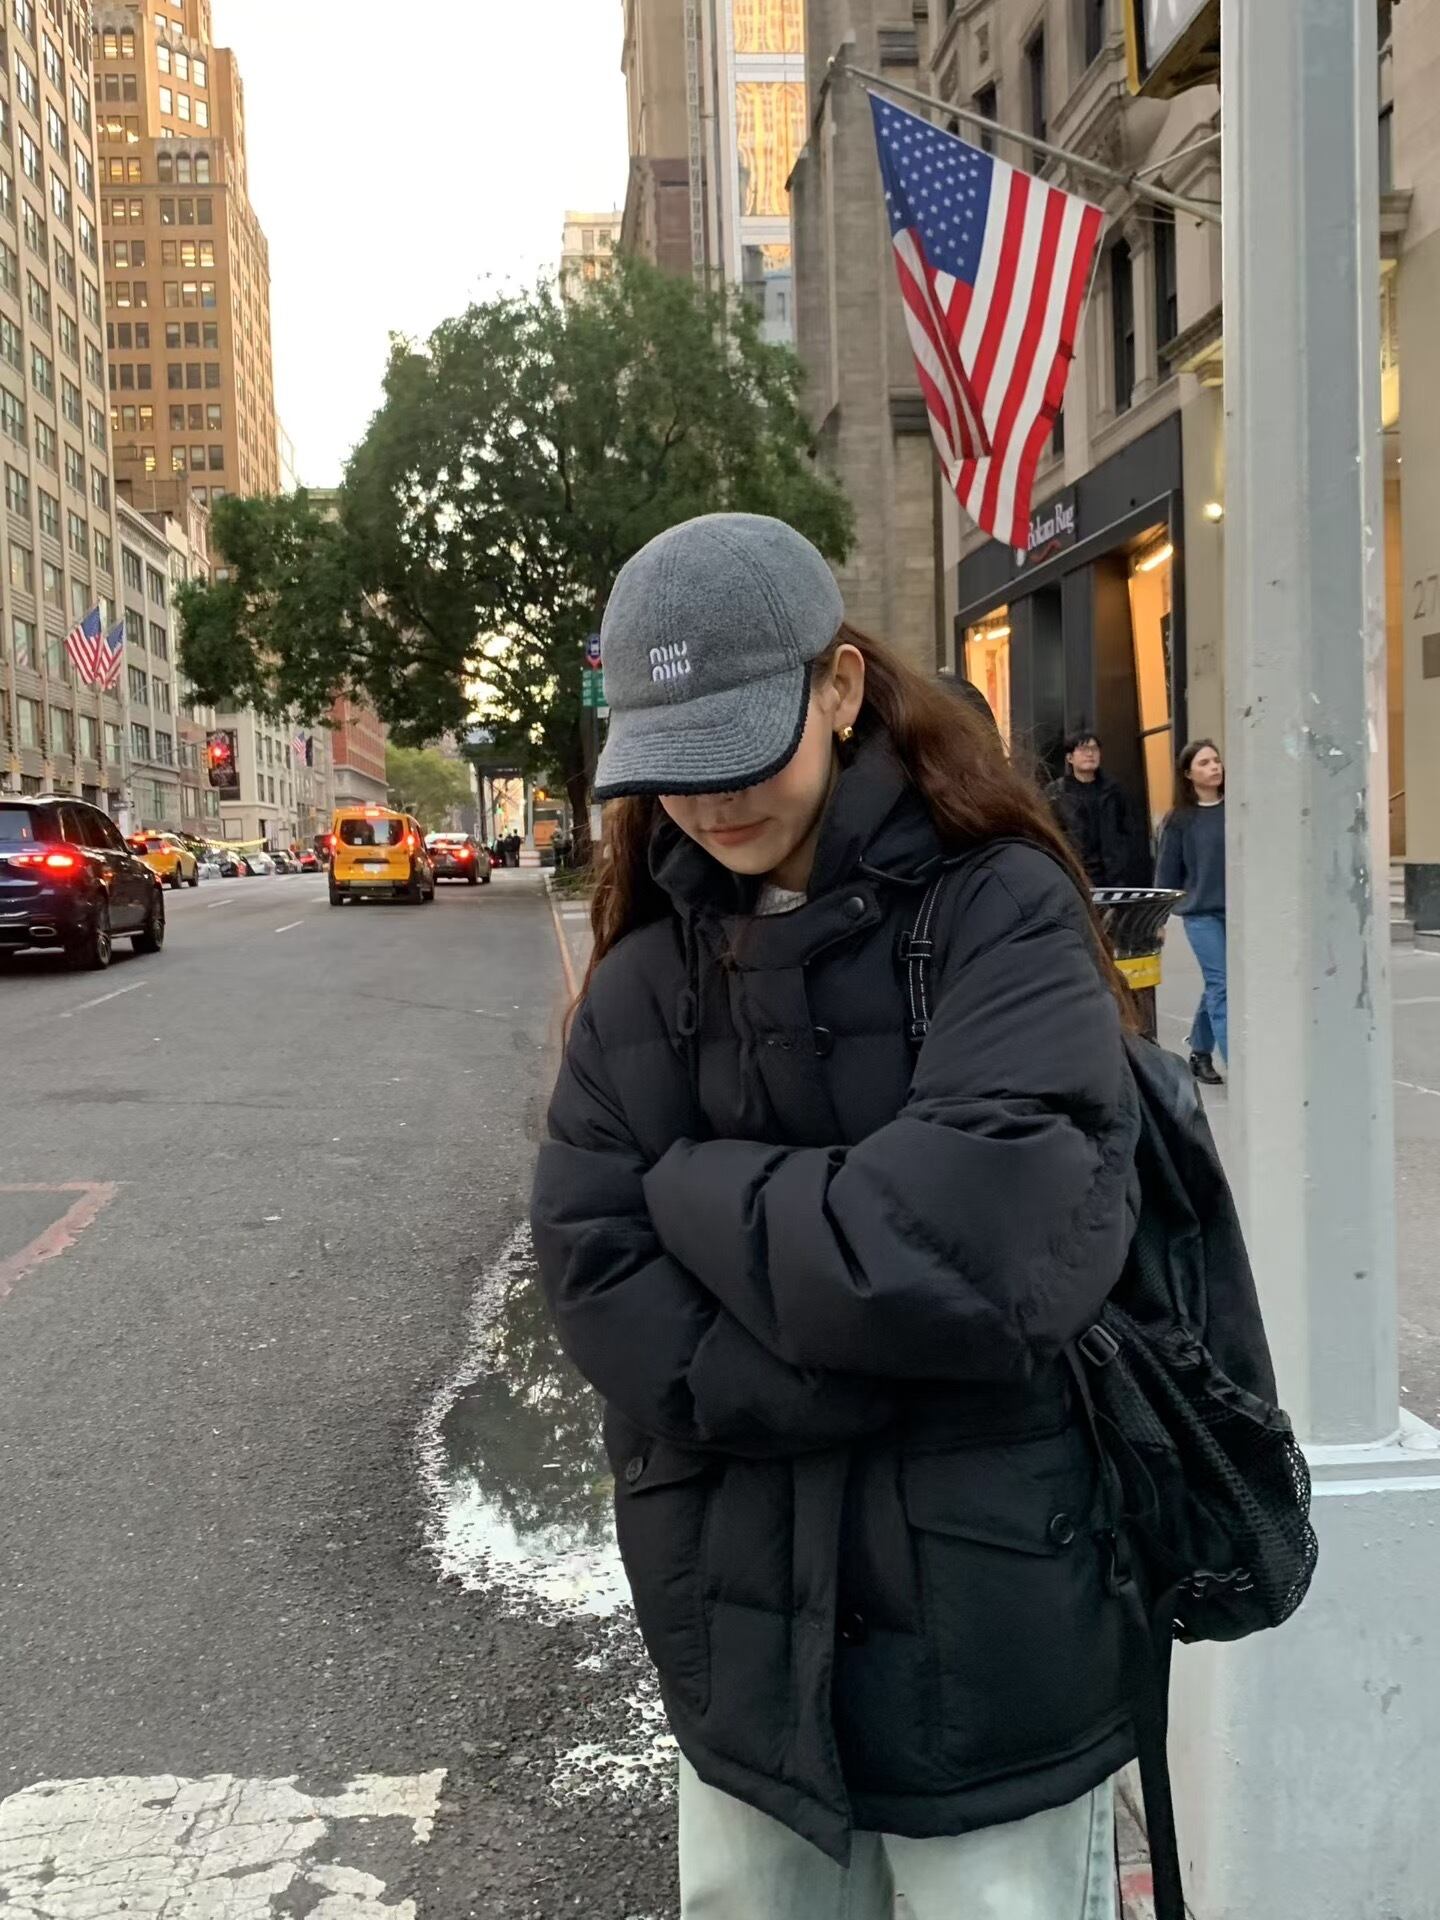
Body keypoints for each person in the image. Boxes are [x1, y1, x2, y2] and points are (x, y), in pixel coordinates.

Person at [531, 513, 1142, 1920]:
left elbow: (983, 1253)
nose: (708, 802)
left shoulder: (1002, 911)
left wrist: (694, 1187)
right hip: (737, 1625)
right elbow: (597, 1272)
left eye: (741, 749)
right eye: (674, 765)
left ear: (842, 686)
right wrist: (880, 1361)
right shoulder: (643, 976)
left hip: (992, 1632)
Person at [1156, 739, 1227, 1085]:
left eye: (1216, 760)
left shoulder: (1238, 810)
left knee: (1218, 984)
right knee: (1223, 985)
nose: (1214, 767)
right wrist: (1157, 920)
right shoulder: (1180, 820)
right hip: (1202, 915)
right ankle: (1243, 1067)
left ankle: (1199, 1052)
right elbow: (1166, 873)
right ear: (1188, 774)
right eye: (1204, 763)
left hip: (1238, 915)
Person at [1046, 731, 1151, 889]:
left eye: (1094, 749)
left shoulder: (1114, 791)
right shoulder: (1056, 793)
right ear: (1070, 758)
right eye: (1083, 749)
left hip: (1112, 875)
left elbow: (1131, 831)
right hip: (1074, 872)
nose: (1090, 754)